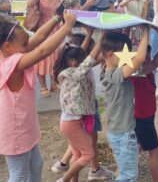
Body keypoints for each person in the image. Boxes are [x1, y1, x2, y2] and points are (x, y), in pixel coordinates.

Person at [0, 11, 76, 181]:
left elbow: (40, 37)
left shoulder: (9, 53)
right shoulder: (12, 64)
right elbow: (43, 50)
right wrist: (67, 26)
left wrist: (57, 17)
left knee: (36, 164)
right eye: (25, 44)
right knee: (19, 174)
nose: (29, 47)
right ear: (7, 47)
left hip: (25, 127)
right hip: (15, 132)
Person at [51, 29, 113, 181]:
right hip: (71, 123)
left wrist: (90, 35)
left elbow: (85, 57)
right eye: (83, 58)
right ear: (74, 62)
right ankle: (64, 179)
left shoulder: (72, 70)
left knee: (78, 154)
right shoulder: (73, 73)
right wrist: (101, 40)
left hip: (74, 121)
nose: (87, 59)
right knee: (88, 154)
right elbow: (88, 61)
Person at [100, 26, 149, 181]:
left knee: (124, 173)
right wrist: (146, 31)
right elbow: (139, 59)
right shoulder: (114, 75)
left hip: (119, 132)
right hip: (123, 134)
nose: (128, 57)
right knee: (129, 176)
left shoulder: (108, 69)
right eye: (124, 54)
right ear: (110, 55)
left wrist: (127, 26)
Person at [130, 31, 158, 182]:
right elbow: (155, 62)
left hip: (145, 117)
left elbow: (156, 61)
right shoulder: (137, 73)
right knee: (154, 151)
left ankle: (126, 169)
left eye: (148, 56)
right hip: (142, 119)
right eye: (143, 57)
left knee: (139, 145)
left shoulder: (148, 72)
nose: (146, 59)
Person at [27, 0, 62, 96]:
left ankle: (53, 83)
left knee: (56, 57)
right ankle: (43, 86)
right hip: (44, 28)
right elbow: (30, 4)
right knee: (42, 57)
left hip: (56, 27)